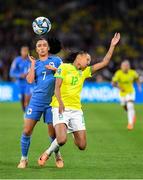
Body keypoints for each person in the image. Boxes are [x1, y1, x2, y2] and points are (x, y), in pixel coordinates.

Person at [38, 33, 120, 166]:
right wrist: (60, 103)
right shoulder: (63, 67)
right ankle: (47, 153)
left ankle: (70, 129)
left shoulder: (85, 71)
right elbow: (57, 88)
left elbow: (105, 62)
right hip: (60, 107)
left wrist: (112, 46)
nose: (88, 63)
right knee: (62, 140)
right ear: (79, 57)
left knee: (82, 146)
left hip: (76, 110)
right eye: (87, 59)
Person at [17, 37, 64, 169]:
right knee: (27, 131)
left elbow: (65, 75)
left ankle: (57, 155)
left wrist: (55, 70)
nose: (42, 47)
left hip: (52, 101)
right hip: (36, 101)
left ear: (48, 48)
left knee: (52, 134)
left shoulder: (56, 60)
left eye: (44, 45)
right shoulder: (34, 63)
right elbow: (30, 80)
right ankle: (24, 159)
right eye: (39, 46)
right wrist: (32, 64)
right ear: (36, 49)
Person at [112, 60, 142, 130]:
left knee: (130, 105)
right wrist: (119, 87)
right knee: (124, 106)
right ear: (121, 67)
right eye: (124, 66)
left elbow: (137, 78)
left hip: (130, 92)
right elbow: (113, 83)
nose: (125, 67)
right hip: (122, 93)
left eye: (126, 66)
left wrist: (139, 86)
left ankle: (130, 124)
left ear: (129, 66)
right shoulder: (118, 73)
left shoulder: (132, 72)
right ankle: (132, 114)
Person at [9, 46, 33, 111]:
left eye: (26, 51)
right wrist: (20, 75)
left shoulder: (31, 60)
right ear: (21, 52)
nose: (25, 53)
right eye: (23, 51)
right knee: (22, 99)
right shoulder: (17, 60)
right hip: (20, 84)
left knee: (28, 98)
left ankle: (29, 112)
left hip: (29, 83)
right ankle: (25, 111)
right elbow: (11, 73)